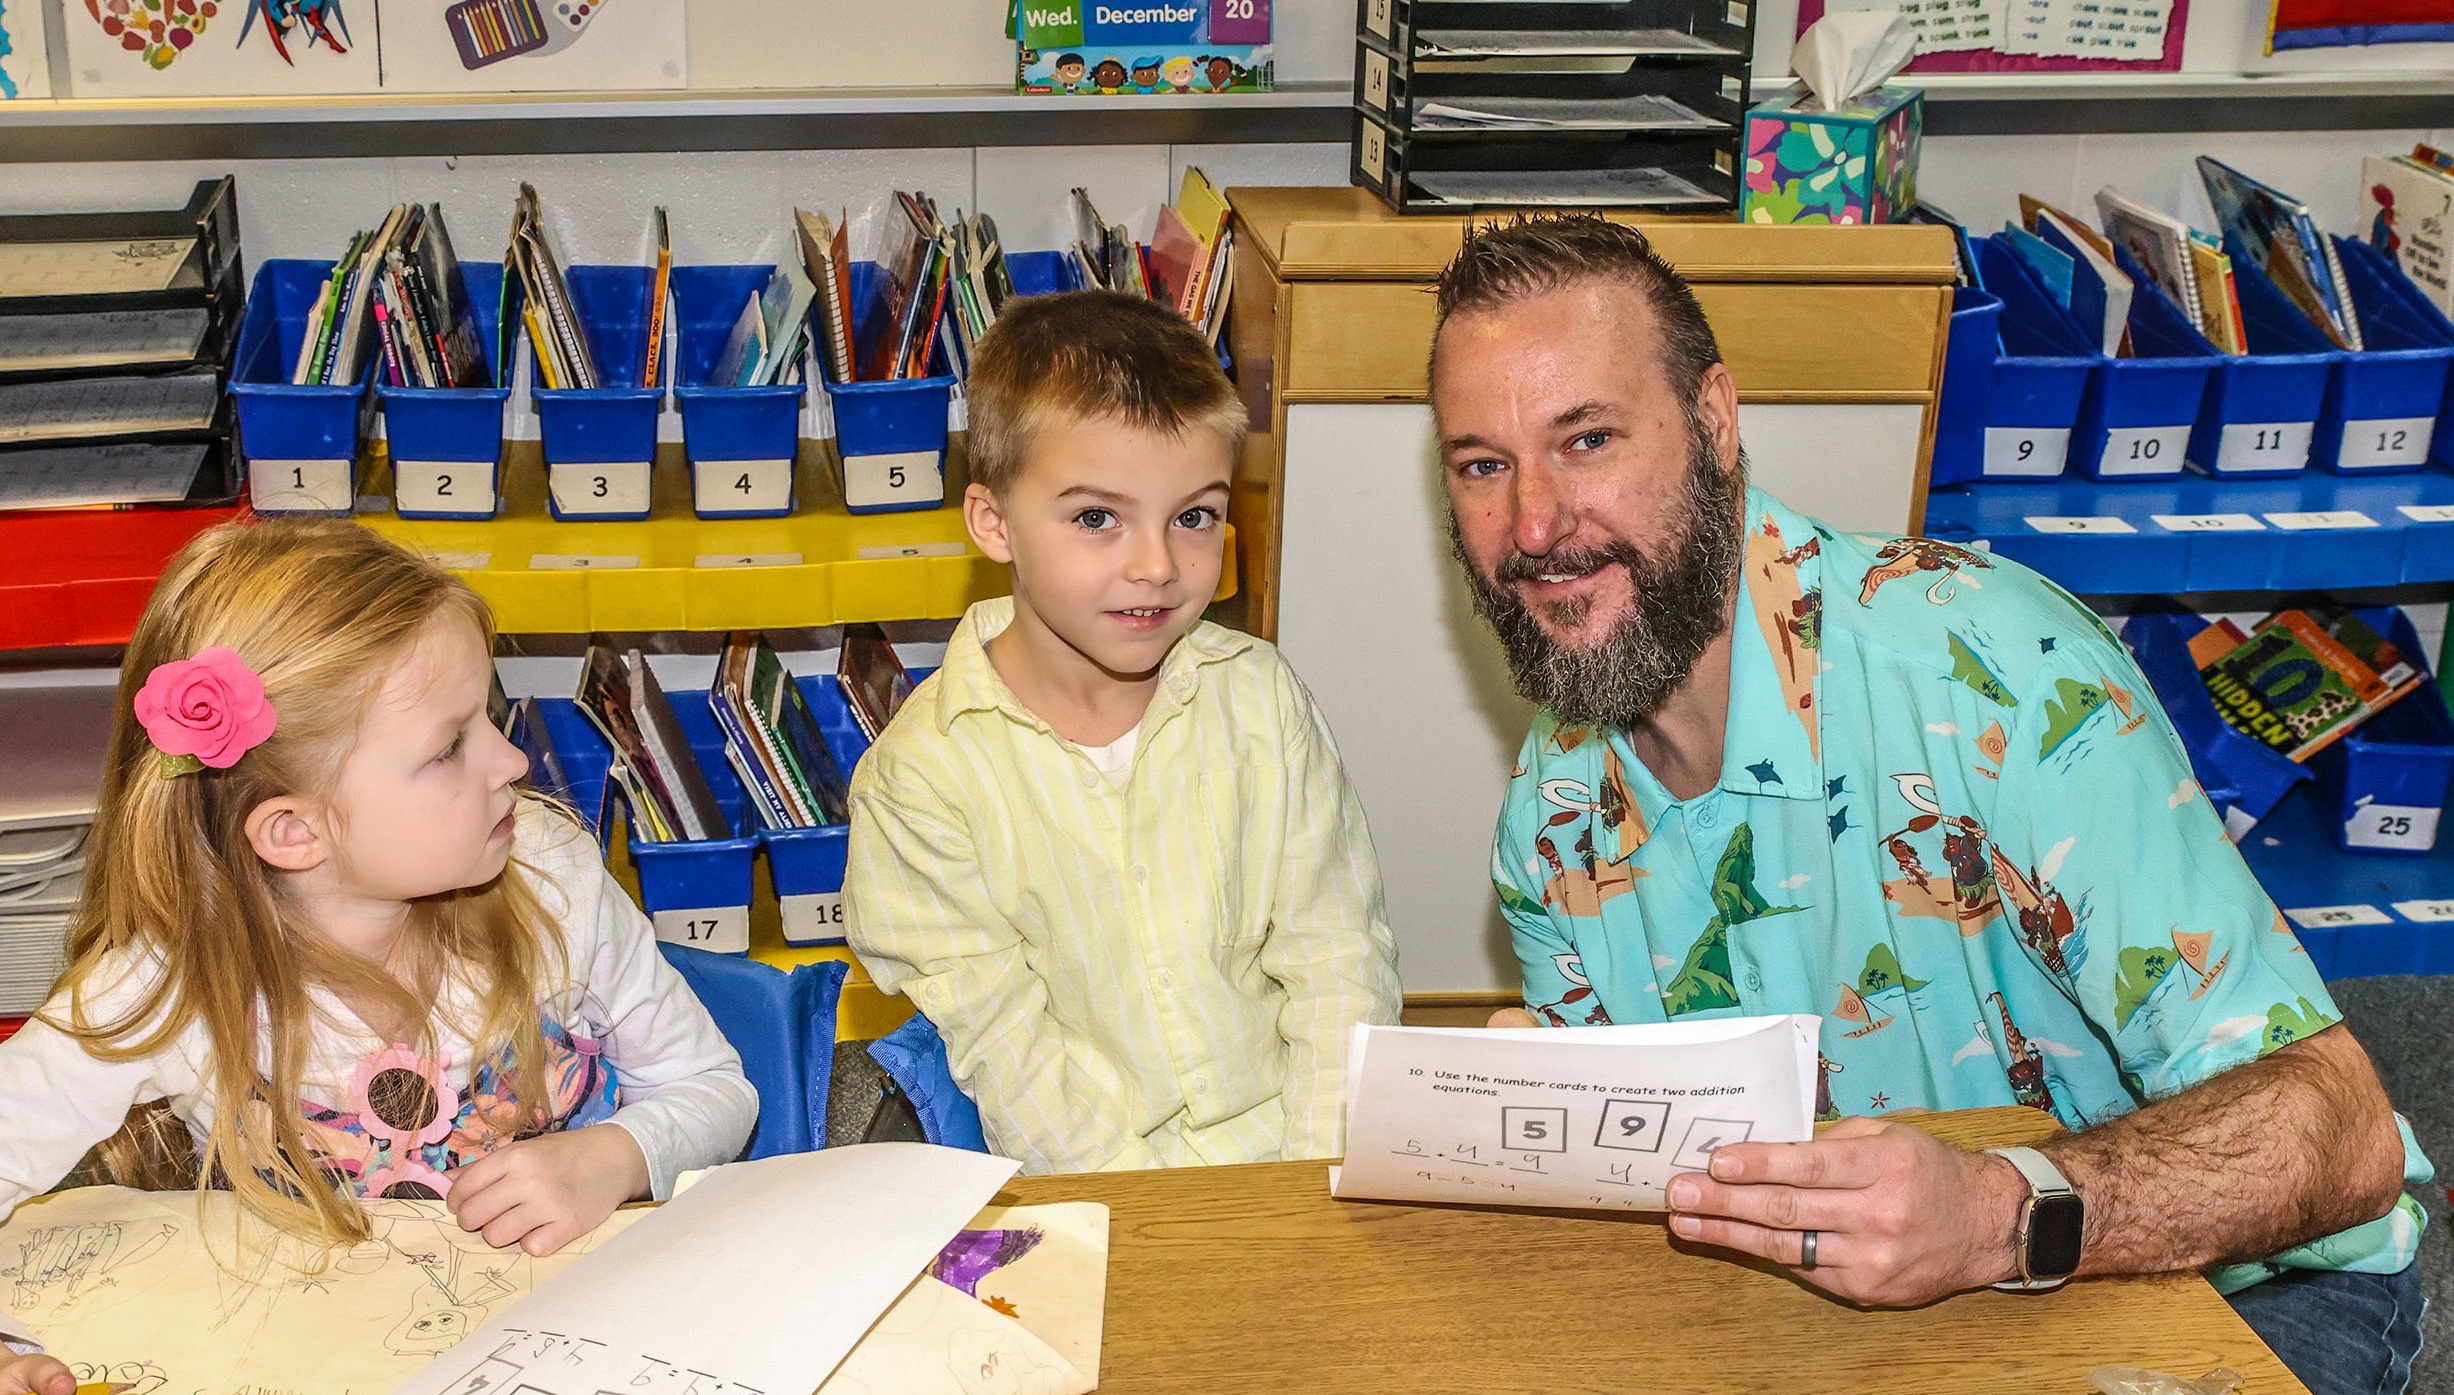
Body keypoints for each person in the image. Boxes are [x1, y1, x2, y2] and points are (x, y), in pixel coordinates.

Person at [1430, 215, 2426, 1395]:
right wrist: (1560, 1130)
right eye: (1483, 464)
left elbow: (2345, 1137)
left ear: (1713, 422)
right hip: (1875, 1306)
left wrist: (2002, 1212)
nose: (1534, 526)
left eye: (1586, 439)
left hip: (2236, 1281)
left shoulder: (1995, 673)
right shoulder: (1550, 824)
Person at [0, 519, 756, 1395]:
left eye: (489, 714)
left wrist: (619, 1154)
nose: (513, 758)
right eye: (448, 746)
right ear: (294, 831)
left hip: (590, 1340)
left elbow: (719, 1089)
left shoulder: (550, 876)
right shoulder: (172, 985)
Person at [844, 290, 1402, 1176]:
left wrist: (1311, 1184)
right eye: (1097, 517)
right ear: (994, 523)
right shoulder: (922, 781)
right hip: (1091, 1189)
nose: (1156, 564)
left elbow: (1339, 964)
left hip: (1293, 1159)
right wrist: (1155, 1229)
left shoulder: (1260, 703)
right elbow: (1011, 1056)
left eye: (1195, 516)